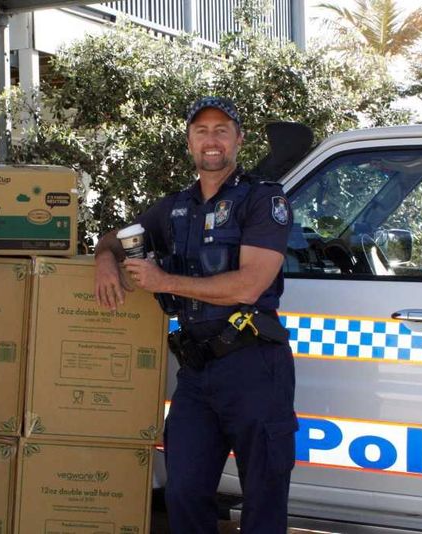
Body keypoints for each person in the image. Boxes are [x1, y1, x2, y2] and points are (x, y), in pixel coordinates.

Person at [94, 96, 297, 533]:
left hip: (254, 365)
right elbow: (114, 237)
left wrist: (164, 281)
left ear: (238, 140)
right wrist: (104, 261)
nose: (211, 140)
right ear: (189, 142)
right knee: (183, 493)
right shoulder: (175, 207)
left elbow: (249, 285)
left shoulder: (262, 200)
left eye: (222, 130)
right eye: (201, 131)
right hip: (197, 373)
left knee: (263, 498)